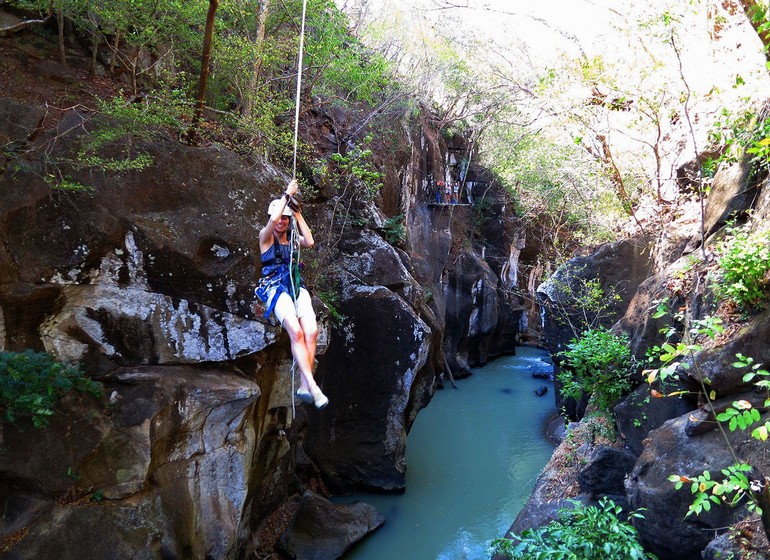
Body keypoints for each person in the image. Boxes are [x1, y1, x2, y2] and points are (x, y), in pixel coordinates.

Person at [258, 179, 328, 409]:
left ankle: (303, 385)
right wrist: (286, 195)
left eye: (285, 220)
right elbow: (271, 221)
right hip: (275, 289)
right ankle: (313, 386)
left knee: (312, 332)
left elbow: (310, 241)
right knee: (296, 334)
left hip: (296, 287)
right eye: (280, 219)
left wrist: (297, 215)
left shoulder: (294, 240)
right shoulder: (265, 238)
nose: (281, 223)